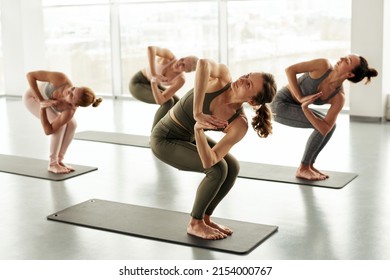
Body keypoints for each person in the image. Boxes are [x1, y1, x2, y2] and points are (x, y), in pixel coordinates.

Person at [150, 58, 277, 240]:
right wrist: (197, 114)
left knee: (231, 167)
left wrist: (198, 130)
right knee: (218, 170)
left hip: (190, 136)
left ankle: (205, 218)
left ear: (252, 101)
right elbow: (202, 63)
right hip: (164, 138)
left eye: (248, 84)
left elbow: (209, 159)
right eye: (247, 75)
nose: (242, 79)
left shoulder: (239, 124)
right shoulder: (222, 79)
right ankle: (195, 223)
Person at [271, 54, 378, 181]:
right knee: (322, 126)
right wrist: (300, 98)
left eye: (347, 61)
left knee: (330, 126)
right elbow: (290, 70)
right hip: (280, 104)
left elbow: (325, 128)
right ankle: (303, 167)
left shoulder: (338, 97)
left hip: (299, 107)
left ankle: (308, 165)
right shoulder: (322, 65)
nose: (341, 58)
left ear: (350, 75)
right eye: (345, 57)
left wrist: (305, 107)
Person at [23, 70, 103, 174]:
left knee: (72, 124)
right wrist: (42, 103)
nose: (69, 90)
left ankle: (59, 160)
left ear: (75, 104)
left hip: (46, 103)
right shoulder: (61, 78)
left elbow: (49, 130)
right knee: (61, 127)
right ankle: (52, 164)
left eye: (71, 95)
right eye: (74, 89)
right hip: (32, 98)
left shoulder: (70, 110)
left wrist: (44, 106)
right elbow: (30, 75)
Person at [129, 46, 199, 129]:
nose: (180, 62)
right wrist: (154, 74)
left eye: (183, 65)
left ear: (186, 71)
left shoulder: (180, 80)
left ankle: (185, 130)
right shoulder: (168, 57)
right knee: (168, 102)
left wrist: (154, 83)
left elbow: (160, 100)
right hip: (137, 83)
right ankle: (154, 135)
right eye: (182, 59)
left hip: (152, 85)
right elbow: (150, 49)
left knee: (177, 103)